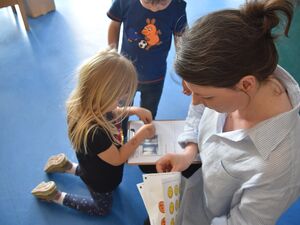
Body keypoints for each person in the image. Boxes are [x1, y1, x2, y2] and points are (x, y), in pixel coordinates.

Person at [156, 0, 300, 224]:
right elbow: (198, 109)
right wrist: (189, 152)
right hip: (193, 195)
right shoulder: (226, 84)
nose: (195, 102)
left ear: (246, 85)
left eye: (206, 96)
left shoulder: (279, 164)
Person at [31, 48, 155, 216]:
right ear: (103, 95)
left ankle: (66, 166)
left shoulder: (86, 105)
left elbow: (112, 112)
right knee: (101, 209)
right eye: (118, 99)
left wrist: (134, 110)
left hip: (91, 165)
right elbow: (118, 158)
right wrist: (141, 134)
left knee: (87, 171)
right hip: (100, 180)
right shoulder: (95, 134)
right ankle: (55, 195)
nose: (120, 103)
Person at [107, 0, 187, 144]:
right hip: (125, 75)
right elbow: (115, 24)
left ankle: (144, 137)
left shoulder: (177, 6)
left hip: (155, 76)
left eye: (162, 3)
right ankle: (119, 137)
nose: (155, 8)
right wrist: (111, 53)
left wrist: (186, 72)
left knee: (149, 111)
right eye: (149, 2)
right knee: (120, 111)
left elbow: (180, 37)